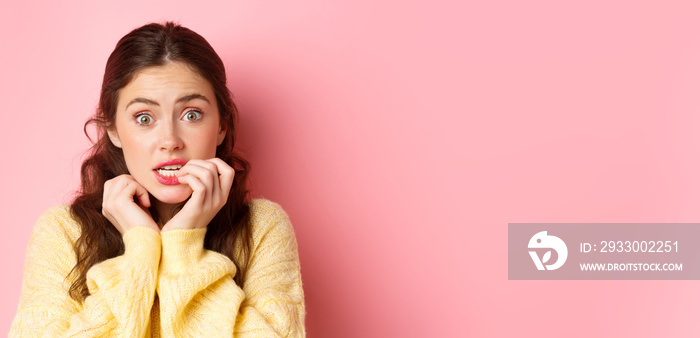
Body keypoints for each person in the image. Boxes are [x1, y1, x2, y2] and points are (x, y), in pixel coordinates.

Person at [10, 22, 305, 337]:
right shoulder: (63, 233)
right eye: (144, 118)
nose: (170, 140)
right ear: (112, 129)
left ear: (221, 125)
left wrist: (183, 244)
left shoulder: (261, 228)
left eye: (191, 114)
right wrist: (140, 247)